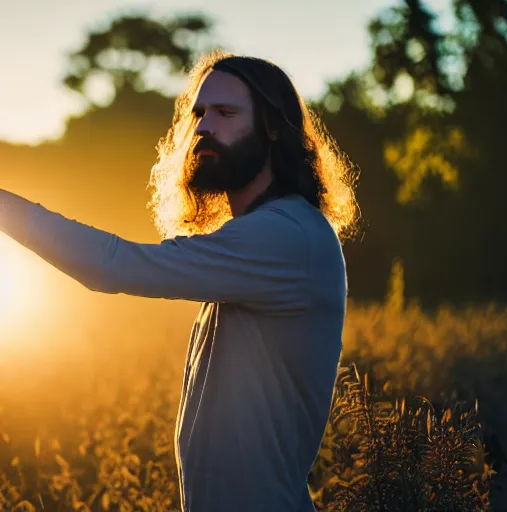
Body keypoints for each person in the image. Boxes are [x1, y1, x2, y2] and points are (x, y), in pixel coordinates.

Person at [0, 50, 360, 511]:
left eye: (226, 113)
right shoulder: (261, 237)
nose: (205, 127)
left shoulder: (287, 235)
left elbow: (113, 265)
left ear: (273, 127)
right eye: (200, 114)